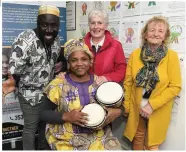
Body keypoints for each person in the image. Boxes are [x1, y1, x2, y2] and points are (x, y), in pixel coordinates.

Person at [39, 39, 122, 150]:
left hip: (98, 137)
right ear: (68, 63)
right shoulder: (57, 85)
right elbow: (43, 113)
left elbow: (122, 106)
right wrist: (66, 116)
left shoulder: (99, 83)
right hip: (66, 139)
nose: (79, 64)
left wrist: (118, 111)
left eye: (84, 59)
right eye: (74, 60)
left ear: (90, 61)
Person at [122, 16, 182, 150]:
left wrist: (151, 105)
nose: (155, 33)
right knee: (137, 139)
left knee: (152, 144)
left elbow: (175, 87)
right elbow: (128, 83)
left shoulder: (171, 57)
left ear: (165, 36)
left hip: (158, 109)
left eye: (160, 31)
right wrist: (126, 106)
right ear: (145, 34)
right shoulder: (135, 54)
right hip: (137, 108)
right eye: (152, 30)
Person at [9, 5, 62, 150]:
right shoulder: (24, 40)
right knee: (30, 128)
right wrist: (14, 83)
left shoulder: (57, 40)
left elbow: (56, 61)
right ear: (38, 23)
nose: (49, 30)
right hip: (29, 95)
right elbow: (14, 70)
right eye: (44, 25)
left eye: (53, 25)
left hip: (48, 93)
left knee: (45, 125)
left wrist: (61, 65)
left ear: (58, 25)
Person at [58, 9, 126, 85]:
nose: (96, 27)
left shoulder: (116, 45)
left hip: (105, 89)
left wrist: (106, 77)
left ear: (106, 25)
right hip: (83, 87)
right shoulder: (80, 44)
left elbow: (121, 70)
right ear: (89, 25)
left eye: (100, 23)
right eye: (93, 23)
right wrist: (66, 74)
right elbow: (74, 64)